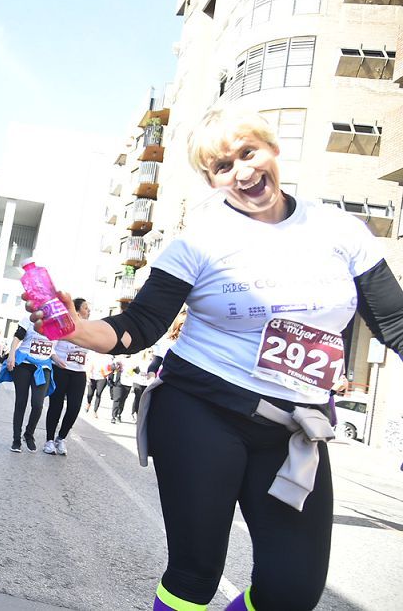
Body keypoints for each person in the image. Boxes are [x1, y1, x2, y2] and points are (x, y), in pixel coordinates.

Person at [26, 107, 403, 611]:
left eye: (249, 153)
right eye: (223, 167)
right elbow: (138, 326)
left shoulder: (341, 231)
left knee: (292, 592)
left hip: (295, 427)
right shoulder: (200, 240)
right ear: (212, 180)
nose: (243, 172)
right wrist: (73, 328)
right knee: (195, 574)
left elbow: (394, 323)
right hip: (201, 410)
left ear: (272, 150)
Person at [0, 316, 56, 452]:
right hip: (24, 364)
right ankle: (16, 439)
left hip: (43, 367)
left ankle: (29, 434)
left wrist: (58, 359)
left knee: (38, 404)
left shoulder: (56, 322)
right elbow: (17, 337)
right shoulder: (29, 320)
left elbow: (52, 347)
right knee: (21, 402)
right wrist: (11, 354)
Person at [44, 298, 91, 456]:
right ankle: (49, 440)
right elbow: (50, 345)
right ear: (77, 311)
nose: (88, 311)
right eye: (85, 308)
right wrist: (55, 357)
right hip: (61, 370)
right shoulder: (63, 325)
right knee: (56, 405)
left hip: (79, 372)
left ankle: (61, 438)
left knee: (74, 408)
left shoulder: (88, 329)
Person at [85, 351, 111, 417]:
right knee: (90, 394)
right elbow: (89, 366)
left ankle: (95, 411)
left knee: (98, 394)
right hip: (92, 377)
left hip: (102, 377)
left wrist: (106, 373)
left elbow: (110, 368)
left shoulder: (108, 357)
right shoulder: (93, 355)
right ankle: (88, 402)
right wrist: (88, 376)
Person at [109, 356, 130, 424]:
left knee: (123, 399)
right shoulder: (118, 358)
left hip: (128, 382)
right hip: (118, 382)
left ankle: (119, 414)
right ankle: (113, 416)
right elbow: (111, 368)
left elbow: (137, 371)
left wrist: (135, 369)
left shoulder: (134, 359)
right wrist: (116, 367)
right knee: (117, 399)